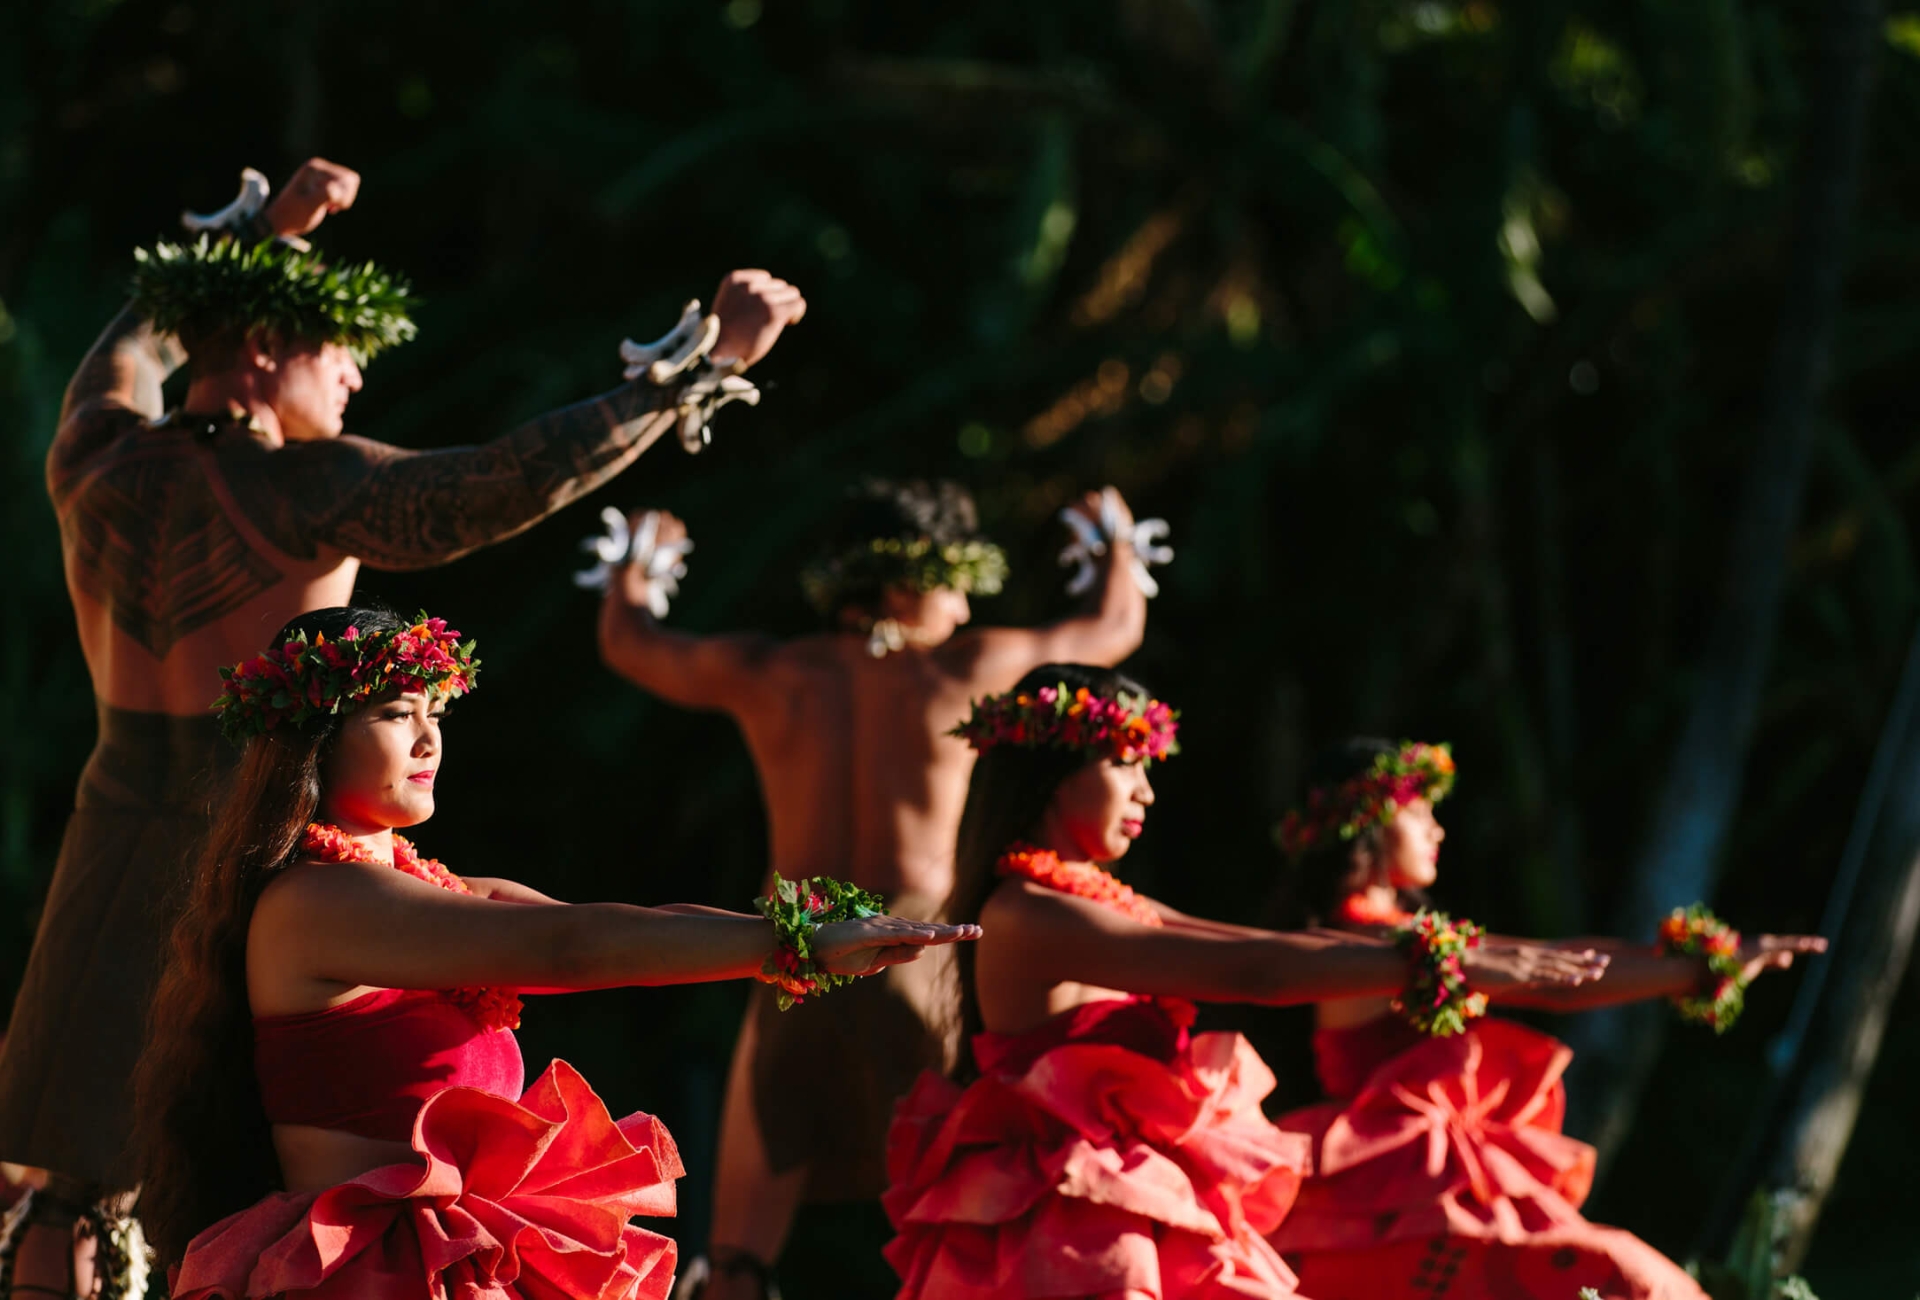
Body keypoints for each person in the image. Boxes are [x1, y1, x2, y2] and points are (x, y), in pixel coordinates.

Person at [2, 154, 804, 1297]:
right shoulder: (301, 489)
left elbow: (132, 344)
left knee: (74, 1192)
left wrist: (268, 235)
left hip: (105, 848)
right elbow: (488, 487)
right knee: (235, 1212)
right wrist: (699, 368)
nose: (351, 390)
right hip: (247, 862)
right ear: (269, 353)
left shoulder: (93, 451)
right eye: (341, 362)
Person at [126, 605, 976, 1300]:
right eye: (394, 716)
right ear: (311, 740)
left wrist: (805, 934)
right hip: (361, 1276)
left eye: (436, 715)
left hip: (458, 1261)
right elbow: (569, 947)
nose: (429, 742)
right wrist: (794, 945)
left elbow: (619, 923)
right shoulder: (318, 900)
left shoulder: (432, 889)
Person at [881, 666, 1607, 1299]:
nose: (1146, 795)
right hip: (1070, 1218)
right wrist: (1436, 960)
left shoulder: (1091, 898)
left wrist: (1436, 949)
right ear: (1050, 768)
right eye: (1125, 765)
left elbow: (1269, 944)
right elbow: (1254, 972)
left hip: (1131, 1194)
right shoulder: (1027, 912)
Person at [597, 482, 1153, 1299]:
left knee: (739, 1258)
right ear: (902, 587)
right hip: (915, 955)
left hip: (790, 952)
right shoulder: (966, 667)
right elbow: (1112, 628)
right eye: (954, 584)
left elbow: (631, 642)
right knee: (966, 1219)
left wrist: (634, 567)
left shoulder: (771, 670)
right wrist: (1115, 543)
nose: (962, 609)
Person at [1264, 738, 1825, 1300]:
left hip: (1438, 1180)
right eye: (1419, 811)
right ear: (1373, 821)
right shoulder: (1367, 943)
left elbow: (1549, 960)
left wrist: (1704, 964)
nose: (1436, 829)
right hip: (1397, 1187)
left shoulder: (1397, 935)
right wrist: (1696, 973)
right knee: (1622, 1278)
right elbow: (1547, 981)